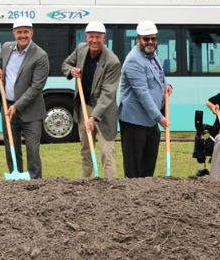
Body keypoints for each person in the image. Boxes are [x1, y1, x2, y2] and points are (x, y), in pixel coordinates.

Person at [61, 21, 121, 178]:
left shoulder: (112, 61)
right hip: (85, 106)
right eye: (91, 37)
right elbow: (65, 64)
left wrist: (94, 117)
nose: (94, 40)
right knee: (86, 150)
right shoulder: (81, 49)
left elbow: (108, 93)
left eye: (98, 37)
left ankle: (112, 187)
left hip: (104, 111)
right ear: (86, 37)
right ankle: (85, 184)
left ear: (104, 38)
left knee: (106, 151)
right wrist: (71, 70)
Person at [0, 17, 49, 179]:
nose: (22, 35)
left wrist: (17, 106)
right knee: (11, 146)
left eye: (26, 32)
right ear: (14, 33)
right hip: (7, 106)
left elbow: (36, 87)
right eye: (19, 32)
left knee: (32, 149)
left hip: (31, 112)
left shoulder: (40, 56)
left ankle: (34, 181)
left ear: (32, 33)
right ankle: (15, 177)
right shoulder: (6, 48)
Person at [118, 20, 172, 178]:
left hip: (149, 120)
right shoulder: (134, 60)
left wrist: (167, 84)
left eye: (153, 38)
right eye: (146, 38)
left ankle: (146, 197)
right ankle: (132, 199)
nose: (150, 42)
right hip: (134, 120)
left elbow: (159, 74)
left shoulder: (152, 55)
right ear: (138, 40)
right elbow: (142, 92)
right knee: (134, 169)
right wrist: (159, 117)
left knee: (148, 166)